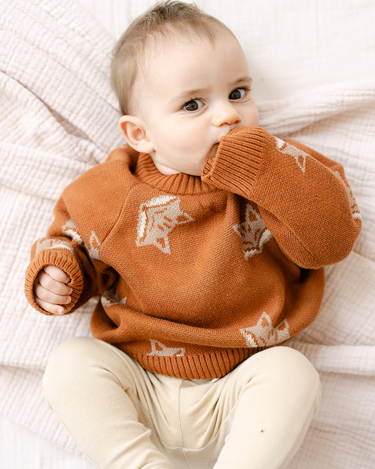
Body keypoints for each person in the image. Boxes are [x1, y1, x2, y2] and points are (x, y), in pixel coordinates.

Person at [24, 1, 362, 468]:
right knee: (71, 366)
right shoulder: (112, 190)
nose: (228, 116)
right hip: (137, 378)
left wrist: (265, 169)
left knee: (292, 374)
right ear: (140, 134)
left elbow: (333, 241)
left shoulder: (282, 172)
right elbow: (70, 242)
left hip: (241, 381)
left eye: (239, 92)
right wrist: (58, 273)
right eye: (193, 104)